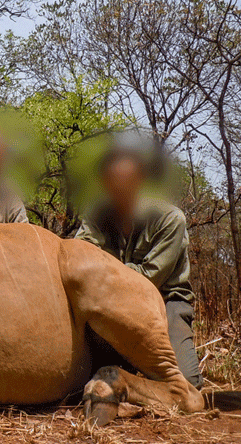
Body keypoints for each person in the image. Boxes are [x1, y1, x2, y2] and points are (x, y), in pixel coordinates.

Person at [75, 146, 204, 388]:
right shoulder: (98, 214)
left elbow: (148, 278)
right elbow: (79, 256)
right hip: (113, 302)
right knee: (76, 376)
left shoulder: (170, 218)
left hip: (165, 302)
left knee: (186, 384)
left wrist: (102, 270)